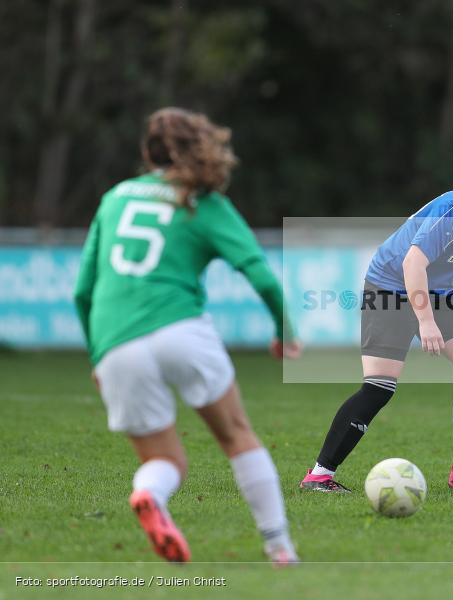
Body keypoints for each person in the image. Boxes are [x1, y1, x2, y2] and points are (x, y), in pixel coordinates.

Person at [73, 108, 302, 563]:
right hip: (179, 326)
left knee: (166, 461)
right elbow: (263, 278)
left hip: (116, 342)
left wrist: (98, 357)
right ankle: (279, 548)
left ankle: (150, 495)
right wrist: (284, 332)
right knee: (237, 436)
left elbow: (82, 291)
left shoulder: (116, 197)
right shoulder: (201, 200)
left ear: (146, 151)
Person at [299, 143, 453, 493]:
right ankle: (319, 476)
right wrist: (425, 322)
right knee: (379, 387)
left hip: (439, 289)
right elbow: (412, 263)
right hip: (389, 287)